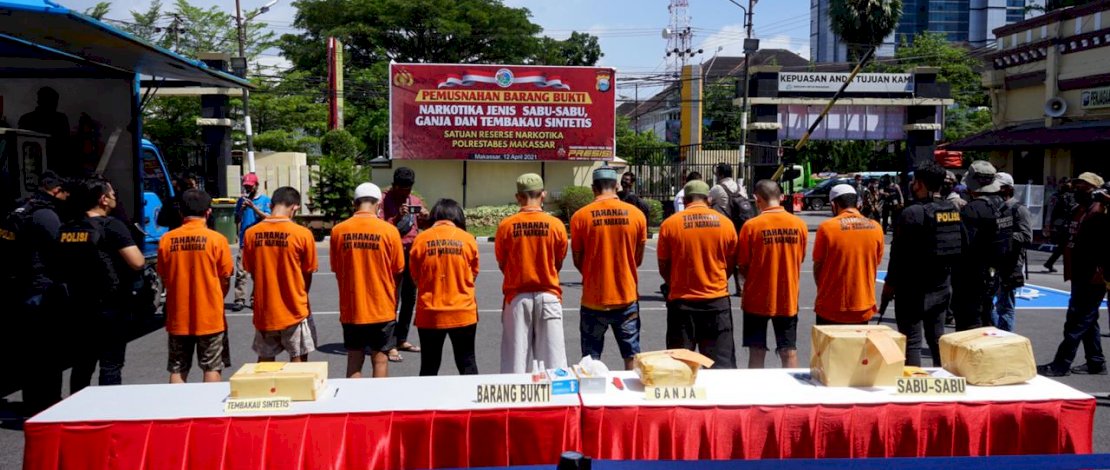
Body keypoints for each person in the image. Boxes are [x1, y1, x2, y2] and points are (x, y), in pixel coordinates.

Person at [55, 177, 146, 391]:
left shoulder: (67, 228)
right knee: (110, 364)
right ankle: (107, 413)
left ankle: (78, 411)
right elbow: (137, 262)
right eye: (113, 194)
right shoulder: (112, 226)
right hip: (110, 306)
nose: (115, 198)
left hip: (78, 304)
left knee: (82, 364)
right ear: (103, 199)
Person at [883, 162, 965, 367]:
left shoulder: (912, 213)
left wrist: (889, 285)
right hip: (942, 285)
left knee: (911, 341)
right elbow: (962, 245)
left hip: (913, 288)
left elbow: (898, 256)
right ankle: (943, 382)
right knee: (937, 338)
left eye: (914, 181)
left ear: (919, 184)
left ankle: (914, 386)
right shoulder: (951, 210)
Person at [2, 172, 68, 413]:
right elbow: (60, 248)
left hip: (19, 286)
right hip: (42, 288)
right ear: (55, 190)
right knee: (49, 351)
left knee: (29, 351)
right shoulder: (46, 215)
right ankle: (49, 402)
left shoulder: (20, 210)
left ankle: (32, 401)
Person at [571, 166, 648, 370]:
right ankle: (631, 400)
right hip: (626, 297)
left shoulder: (580, 216)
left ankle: (593, 399)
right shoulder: (637, 215)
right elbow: (637, 258)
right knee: (631, 355)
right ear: (616, 186)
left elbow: (578, 259)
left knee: (590, 360)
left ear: (593, 188)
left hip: (593, 299)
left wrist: (592, 271)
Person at [658, 180, 738, 367]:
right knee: (721, 365)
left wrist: (675, 282)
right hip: (716, 301)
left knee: (680, 367)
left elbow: (663, 265)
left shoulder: (670, 224)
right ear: (708, 199)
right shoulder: (725, 224)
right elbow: (731, 263)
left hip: (682, 302)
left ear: (685, 200)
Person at [156, 189, 233, 383]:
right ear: (208, 212)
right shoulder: (217, 240)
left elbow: (164, 276)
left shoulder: (167, 240)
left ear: (181, 212)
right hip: (210, 316)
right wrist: (216, 296)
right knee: (212, 367)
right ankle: (207, 410)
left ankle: (178, 411)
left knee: (177, 369)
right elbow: (226, 277)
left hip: (178, 316)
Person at [496, 174, 569, 373]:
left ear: (518, 197)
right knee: (555, 366)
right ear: (543, 195)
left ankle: (515, 403)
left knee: (515, 365)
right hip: (549, 295)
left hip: (517, 297)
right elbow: (558, 261)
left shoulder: (506, 226)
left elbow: (503, 263)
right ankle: (556, 403)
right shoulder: (556, 225)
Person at [330, 183, 405, 378]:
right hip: (381, 306)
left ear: (354, 203)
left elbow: (336, 267)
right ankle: (379, 406)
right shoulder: (389, 231)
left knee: (354, 359)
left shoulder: (339, 231)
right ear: (378, 204)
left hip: (352, 306)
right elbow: (398, 268)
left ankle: (354, 406)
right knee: (380, 358)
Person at [1039, 172, 1108, 376]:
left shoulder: (1101, 211)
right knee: (1088, 318)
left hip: (1093, 273)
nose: (1077, 188)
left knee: (1077, 320)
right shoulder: (1078, 209)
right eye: (1076, 184)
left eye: (1083, 186)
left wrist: (1101, 270)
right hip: (1078, 271)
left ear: (1095, 189)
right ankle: (1096, 362)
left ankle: (1061, 363)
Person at [242, 186, 318, 362]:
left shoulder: (251, 234)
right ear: (295, 207)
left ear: (270, 204)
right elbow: (307, 273)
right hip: (294, 309)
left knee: (265, 363)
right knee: (298, 364)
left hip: (265, 310)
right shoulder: (303, 234)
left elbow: (252, 270)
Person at [736, 180, 807, 368]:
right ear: (781, 197)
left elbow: (742, 265)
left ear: (756, 199)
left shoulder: (751, 226)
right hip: (788, 296)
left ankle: (756, 396)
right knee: (789, 351)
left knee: (756, 351)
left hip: (756, 297)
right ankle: (792, 396)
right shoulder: (799, 225)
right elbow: (800, 257)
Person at [410, 199, 480, 376]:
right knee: (467, 362)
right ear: (458, 216)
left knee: (429, 365)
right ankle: (471, 403)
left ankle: (426, 403)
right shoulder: (468, 239)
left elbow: (415, 276)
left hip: (430, 312)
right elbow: (473, 274)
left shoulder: (421, 239)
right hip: (463, 311)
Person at [952, 161, 1013, 331]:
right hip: (994, 273)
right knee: (986, 317)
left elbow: (963, 246)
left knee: (968, 326)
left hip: (971, 277)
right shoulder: (1003, 206)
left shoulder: (972, 209)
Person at [813, 184, 884, 325]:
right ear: (857, 203)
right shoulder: (876, 227)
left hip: (831, 306)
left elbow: (818, 266)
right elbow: (875, 262)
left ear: (834, 204)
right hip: (863, 305)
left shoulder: (827, 227)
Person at [381, 167, 429, 362]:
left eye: (408, 190)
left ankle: (401, 339)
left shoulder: (415, 201)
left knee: (410, 298)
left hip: (412, 253)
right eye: (401, 190)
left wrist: (426, 217)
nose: (405, 194)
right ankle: (389, 344)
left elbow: (423, 226)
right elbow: (381, 229)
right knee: (392, 298)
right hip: (392, 254)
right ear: (394, 186)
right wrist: (397, 217)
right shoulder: (383, 200)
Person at [992, 172, 1032, 332]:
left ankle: (1005, 338)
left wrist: (1003, 235)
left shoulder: (1018, 209)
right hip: (995, 262)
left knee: (1005, 305)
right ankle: (995, 331)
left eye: (998, 187)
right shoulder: (995, 207)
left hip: (1011, 263)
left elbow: (1026, 237)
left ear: (1008, 189)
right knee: (987, 302)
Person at [232, 173, 270, 312]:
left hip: (259, 240)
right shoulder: (241, 200)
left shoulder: (265, 200)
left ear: (256, 185)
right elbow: (236, 220)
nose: (248, 188)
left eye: (250, 186)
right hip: (244, 240)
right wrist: (240, 211)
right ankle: (239, 299)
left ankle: (255, 298)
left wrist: (253, 207)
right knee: (241, 271)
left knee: (258, 272)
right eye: (246, 186)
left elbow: (268, 217)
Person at [18, 87, 71, 173]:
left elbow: (66, 144)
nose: (55, 105)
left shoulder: (26, 119)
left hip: (36, 166)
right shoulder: (60, 119)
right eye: (52, 102)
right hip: (44, 166)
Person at [1043, 178, 1075, 272]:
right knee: (1065, 245)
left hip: (1069, 224)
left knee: (1063, 246)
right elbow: (1049, 212)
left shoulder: (1072, 195)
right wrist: (1047, 226)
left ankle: (1049, 263)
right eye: (1065, 184)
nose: (1068, 185)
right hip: (1060, 225)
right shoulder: (1055, 196)